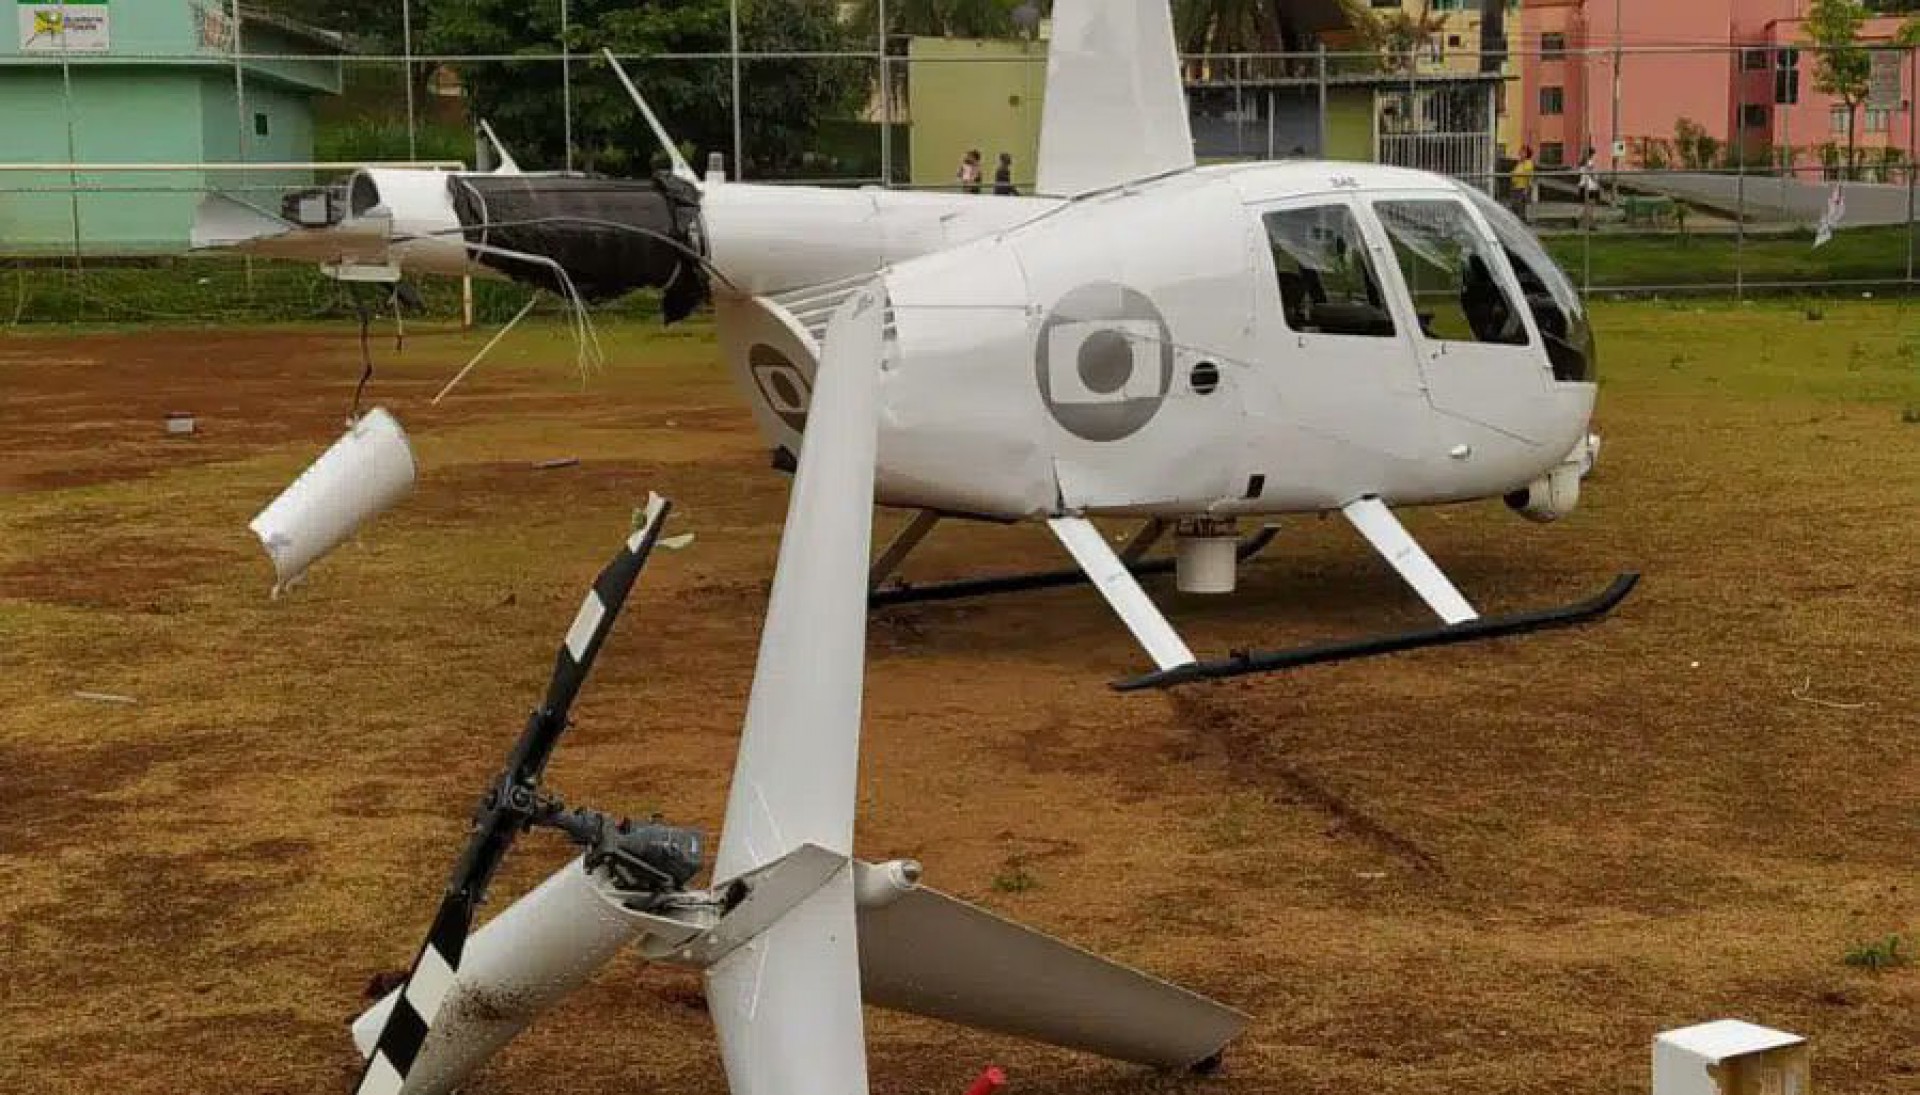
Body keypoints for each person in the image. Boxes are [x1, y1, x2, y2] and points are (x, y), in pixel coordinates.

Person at [1510, 145, 1537, 223]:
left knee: (1520, 207)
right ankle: (1518, 222)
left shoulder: (1528, 163)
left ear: (1526, 154)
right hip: (1516, 187)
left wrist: (1527, 189)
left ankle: (1522, 223)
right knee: (1515, 206)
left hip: (1522, 188)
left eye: (1522, 152)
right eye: (1520, 151)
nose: (1520, 153)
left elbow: (1529, 176)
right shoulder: (1520, 163)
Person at [1577, 146, 1602, 227]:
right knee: (1590, 206)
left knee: (1585, 206)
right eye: (1594, 154)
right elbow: (1593, 175)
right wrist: (1598, 185)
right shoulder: (1590, 163)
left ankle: (1582, 222)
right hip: (1591, 187)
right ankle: (1590, 224)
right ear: (1592, 155)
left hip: (1583, 186)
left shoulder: (1581, 163)